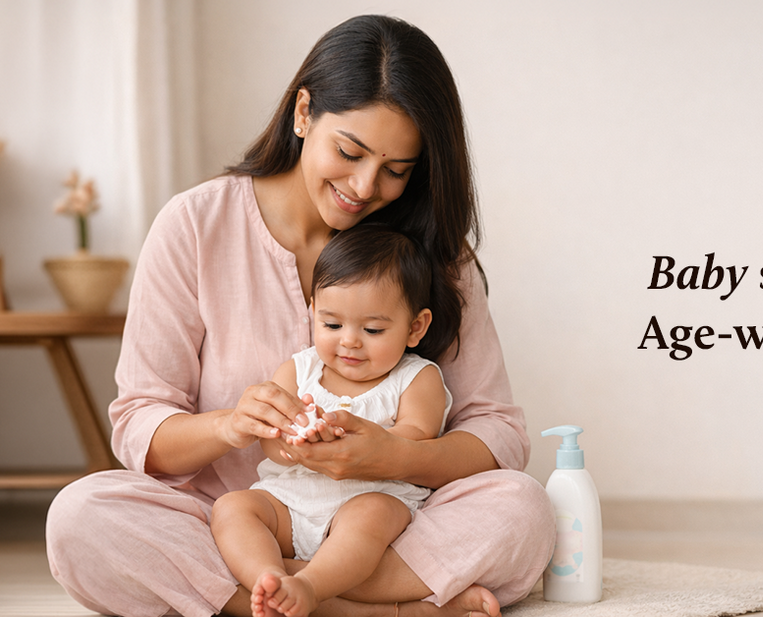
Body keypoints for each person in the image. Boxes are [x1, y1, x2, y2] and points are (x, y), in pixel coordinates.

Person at [45, 15, 555, 617]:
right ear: (303, 112)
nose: (366, 187)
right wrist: (231, 425)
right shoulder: (194, 226)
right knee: (82, 516)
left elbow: (497, 431)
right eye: (350, 152)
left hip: (390, 522)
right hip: (233, 522)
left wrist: (396, 457)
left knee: (522, 508)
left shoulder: (434, 253)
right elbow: (138, 425)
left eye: (397, 170)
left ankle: (273, 598)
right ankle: (377, 607)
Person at [213, 225, 455, 617]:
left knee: (372, 516)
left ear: (415, 327)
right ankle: (269, 580)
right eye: (331, 325)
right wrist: (297, 441)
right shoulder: (298, 370)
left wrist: (364, 441)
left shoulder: (416, 377)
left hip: (371, 497)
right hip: (290, 503)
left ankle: (309, 585)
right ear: (312, 311)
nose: (349, 341)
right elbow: (271, 440)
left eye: (373, 329)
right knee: (232, 507)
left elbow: (416, 435)